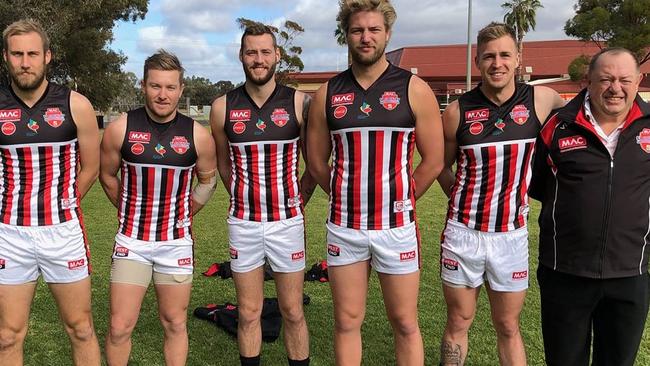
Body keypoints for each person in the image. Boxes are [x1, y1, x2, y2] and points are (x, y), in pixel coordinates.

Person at [307, 1, 444, 364]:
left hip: (396, 227)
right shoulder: (328, 92)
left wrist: (403, 194)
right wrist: (340, 192)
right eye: (357, 30)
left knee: (404, 322)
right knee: (347, 321)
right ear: (346, 35)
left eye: (373, 30)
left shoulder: (414, 88)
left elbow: (434, 160)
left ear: (388, 34)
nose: (365, 38)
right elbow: (317, 160)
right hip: (345, 228)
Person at [436, 22, 564, 365]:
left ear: (518, 59)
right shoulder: (456, 111)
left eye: (505, 55)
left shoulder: (541, 99)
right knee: (459, 321)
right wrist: (459, 197)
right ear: (478, 61)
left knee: (508, 325)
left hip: (511, 236)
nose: (498, 63)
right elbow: (439, 165)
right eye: (489, 56)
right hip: (464, 235)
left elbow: (572, 128)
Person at [530, 47, 650, 366]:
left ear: (639, 81)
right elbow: (540, 185)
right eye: (606, 79)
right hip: (565, 273)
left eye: (625, 79)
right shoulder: (558, 125)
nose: (615, 88)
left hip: (629, 274)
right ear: (588, 80)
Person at [100, 50, 217, 366]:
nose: (162, 95)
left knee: (175, 323)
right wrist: (129, 208)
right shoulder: (120, 128)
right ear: (143, 85)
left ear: (181, 89)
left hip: (175, 243)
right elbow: (107, 176)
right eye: (155, 86)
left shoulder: (198, 135)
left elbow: (208, 181)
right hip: (132, 243)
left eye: (169, 87)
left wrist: (185, 212)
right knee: (119, 326)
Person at [210, 23, 315, 366]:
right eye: (251, 52)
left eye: (265, 52)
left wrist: (298, 200)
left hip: (287, 223)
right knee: (250, 311)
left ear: (277, 55)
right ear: (241, 55)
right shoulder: (223, 106)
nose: (258, 59)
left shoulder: (300, 103)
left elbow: (314, 163)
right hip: (245, 223)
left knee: (292, 310)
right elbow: (224, 164)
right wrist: (242, 198)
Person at [0, 19, 101, 365]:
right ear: (6, 58)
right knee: (7, 335)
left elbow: (91, 167)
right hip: (9, 235)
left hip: (63, 233)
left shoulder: (76, 105)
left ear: (48, 56)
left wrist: (66, 201)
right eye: (17, 54)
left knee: (81, 327)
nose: (25, 62)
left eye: (32, 53)